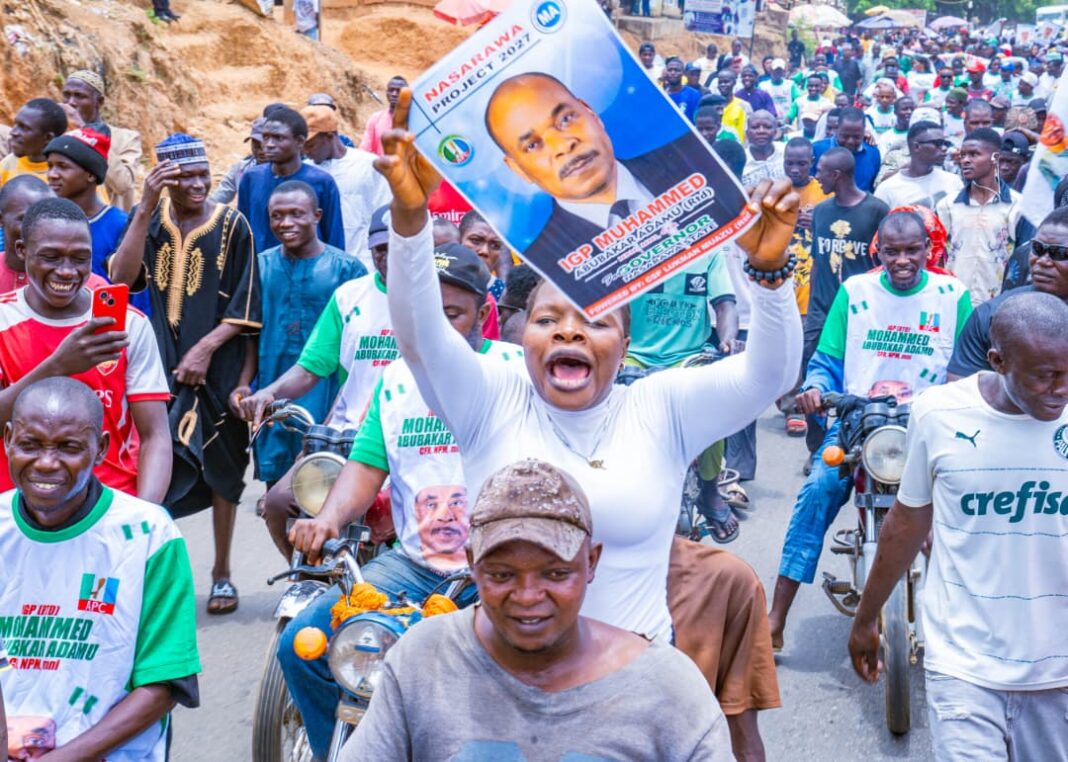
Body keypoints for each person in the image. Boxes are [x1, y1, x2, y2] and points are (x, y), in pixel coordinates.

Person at [374, 87, 801, 759]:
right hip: (491, 693)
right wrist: (409, 218)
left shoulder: (660, 407)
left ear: (623, 346)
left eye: (594, 321)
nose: (569, 332)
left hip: (631, 698)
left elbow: (767, 376)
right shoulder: (491, 395)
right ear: (522, 335)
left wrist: (770, 271)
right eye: (548, 319)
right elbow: (420, 335)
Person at [280, 243, 519, 760]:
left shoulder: (515, 370)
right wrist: (327, 519)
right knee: (303, 646)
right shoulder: (395, 380)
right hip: (412, 566)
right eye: (426, 315)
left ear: (484, 312)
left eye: (452, 314)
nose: (436, 330)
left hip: (497, 570)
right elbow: (367, 466)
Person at [341, 459, 733, 762]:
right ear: (472, 564)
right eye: (502, 574)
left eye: (556, 573)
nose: (528, 596)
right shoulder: (423, 658)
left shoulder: (667, 688)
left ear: (591, 562)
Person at [848, 292, 1068, 761]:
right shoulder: (938, 413)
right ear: (997, 361)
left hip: (1058, 674)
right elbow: (907, 522)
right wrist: (867, 617)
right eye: (1045, 375)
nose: (1061, 388)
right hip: (963, 666)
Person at [768, 210, 973, 650]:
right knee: (819, 489)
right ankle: (776, 616)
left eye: (912, 250)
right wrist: (815, 388)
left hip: (928, 425)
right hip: (858, 420)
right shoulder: (855, 291)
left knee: (960, 505)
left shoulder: (952, 296)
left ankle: (970, 619)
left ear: (928, 249)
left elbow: (967, 366)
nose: (902, 260)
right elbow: (826, 360)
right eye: (892, 251)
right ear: (877, 251)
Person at [0, 377, 200, 760]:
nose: (46, 462)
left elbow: (164, 683)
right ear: (8, 440)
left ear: (100, 449)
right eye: (30, 444)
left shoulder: (149, 535)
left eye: (69, 447)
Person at [109, 133, 260, 615]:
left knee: (223, 469)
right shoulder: (151, 221)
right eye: (186, 177)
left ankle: (222, 574)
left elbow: (247, 303)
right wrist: (144, 205)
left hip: (218, 365)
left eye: (203, 175)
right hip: (160, 362)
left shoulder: (232, 224)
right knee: (158, 464)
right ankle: (159, 574)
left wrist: (205, 349)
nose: (198, 185)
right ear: (165, 181)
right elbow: (120, 278)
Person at [239, 204, 397, 558]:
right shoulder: (350, 296)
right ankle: (306, 575)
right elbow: (311, 368)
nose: (388, 257)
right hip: (345, 436)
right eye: (380, 249)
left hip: (402, 438)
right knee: (278, 503)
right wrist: (269, 392)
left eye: (398, 247)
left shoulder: (435, 300)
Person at [483, 73, 745, 280]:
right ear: (518, 169)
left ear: (590, 113)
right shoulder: (547, 260)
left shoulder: (692, 166)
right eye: (532, 145)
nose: (563, 145)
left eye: (565, 119)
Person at [0, 198, 170, 500]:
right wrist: (58, 366)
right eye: (51, 257)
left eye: (80, 258)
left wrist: (147, 513)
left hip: (110, 503)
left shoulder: (129, 325)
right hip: (15, 507)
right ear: (22, 250)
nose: (67, 271)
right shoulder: (3, 321)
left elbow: (154, 435)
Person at [237, 182, 366, 489]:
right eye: (277, 215)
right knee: (278, 494)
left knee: (329, 486)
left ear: (317, 215)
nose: (286, 223)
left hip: (329, 398)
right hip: (274, 396)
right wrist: (245, 383)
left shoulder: (347, 270)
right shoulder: (260, 266)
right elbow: (249, 333)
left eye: (296, 213)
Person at [947, 206, 1068, 379]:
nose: (1042, 261)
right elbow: (960, 386)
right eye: (1037, 248)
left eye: (1061, 253)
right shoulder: (991, 315)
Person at [937, 128, 1033, 306]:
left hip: (1001, 305)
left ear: (995, 158)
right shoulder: (946, 206)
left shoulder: (1019, 208)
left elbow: (1026, 261)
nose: (965, 160)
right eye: (963, 155)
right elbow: (936, 257)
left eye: (974, 154)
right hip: (952, 302)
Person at [237, 107, 345, 253]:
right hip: (261, 265)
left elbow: (334, 237)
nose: (269, 144)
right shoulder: (251, 178)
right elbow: (243, 233)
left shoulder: (322, 182)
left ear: (299, 141)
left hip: (312, 266)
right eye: (266, 137)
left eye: (279, 138)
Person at [782, 137, 830, 436]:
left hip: (812, 284)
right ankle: (790, 405)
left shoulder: (824, 192)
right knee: (787, 352)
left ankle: (805, 407)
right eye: (790, 163)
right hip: (782, 281)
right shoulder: (776, 191)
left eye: (801, 163)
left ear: (811, 162)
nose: (795, 169)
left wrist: (817, 222)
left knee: (808, 349)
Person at [301, 104, 390, 265]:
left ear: (330, 136)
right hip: (320, 265)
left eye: (311, 145)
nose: (306, 152)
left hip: (364, 261)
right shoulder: (305, 171)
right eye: (303, 146)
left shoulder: (368, 165)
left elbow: (384, 214)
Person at [43, 127, 130, 286]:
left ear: (90, 174)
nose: (52, 174)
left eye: (63, 166)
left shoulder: (120, 225)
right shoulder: (43, 221)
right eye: (50, 166)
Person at [60, 71, 142, 212]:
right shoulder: (60, 137)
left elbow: (123, 184)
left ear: (99, 102)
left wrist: (85, 131)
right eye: (67, 95)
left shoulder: (126, 138)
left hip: (110, 223)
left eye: (80, 96)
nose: (71, 102)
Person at [874, 121, 962, 209]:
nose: (944, 148)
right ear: (916, 147)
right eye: (938, 143)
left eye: (945, 143)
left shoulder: (953, 181)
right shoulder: (887, 189)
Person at [0, 100, 67, 191]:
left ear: (48, 138)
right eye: (16, 124)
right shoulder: (8, 164)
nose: (13, 132)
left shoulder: (59, 176)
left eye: (24, 128)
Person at [811, 107, 882, 192]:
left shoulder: (872, 153)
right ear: (837, 129)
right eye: (845, 136)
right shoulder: (817, 150)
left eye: (856, 137)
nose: (850, 141)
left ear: (864, 131)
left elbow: (873, 188)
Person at [210, 117, 266, 204]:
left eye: (265, 146)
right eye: (256, 146)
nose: (260, 151)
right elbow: (218, 198)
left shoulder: (282, 172)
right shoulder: (240, 168)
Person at [458, 210, 509, 299]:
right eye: (475, 240)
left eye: (495, 246)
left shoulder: (503, 295)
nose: (484, 251)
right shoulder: (436, 284)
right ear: (458, 240)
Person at [360, 76, 408, 157]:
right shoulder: (375, 119)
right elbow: (364, 150)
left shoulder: (414, 121)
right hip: (380, 164)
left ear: (406, 95)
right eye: (391, 90)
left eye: (399, 91)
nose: (394, 94)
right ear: (387, 93)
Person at [741, 111, 786, 187]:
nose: (761, 131)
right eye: (755, 127)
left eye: (767, 127)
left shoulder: (786, 151)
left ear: (775, 132)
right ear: (747, 133)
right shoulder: (740, 161)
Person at [759, 59, 801, 125]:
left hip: (786, 122)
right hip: (768, 122)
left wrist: (790, 116)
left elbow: (798, 101)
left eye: (780, 70)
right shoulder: (763, 86)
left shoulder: (790, 85)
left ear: (784, 72)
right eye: (776, 70)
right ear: (771, 70)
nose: (778, 72)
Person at [663, 57, 702, 122]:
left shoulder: (694, 94)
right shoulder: (662, 95)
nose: (673, 73)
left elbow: (697, 120)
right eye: (670, 70)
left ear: (683, 73)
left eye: (676, 70)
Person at [718, 70, 750, 142]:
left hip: (738, 146)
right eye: (720, 82)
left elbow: (748, 132)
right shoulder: (713, 106)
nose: (723, 85)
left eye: (726, 82)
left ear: (734, 83)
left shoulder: (744, 106)